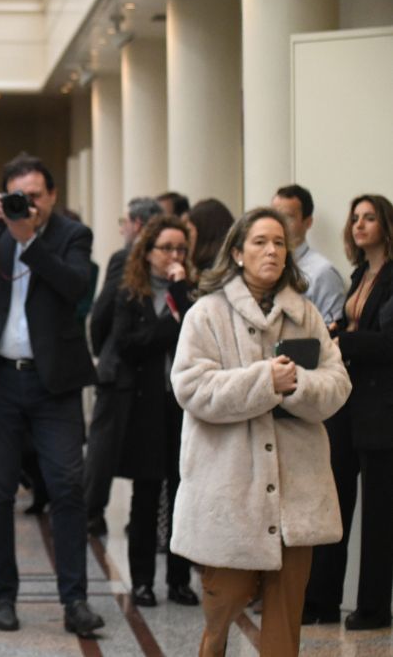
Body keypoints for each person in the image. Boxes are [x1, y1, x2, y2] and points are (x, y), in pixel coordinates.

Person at [170, 207, 351, 656]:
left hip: (297, 488)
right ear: (236, 252)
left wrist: (298, 385)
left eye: (278, 243)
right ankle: (212, 646)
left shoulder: (304, 313)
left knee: (286, 613)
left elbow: (337, 385)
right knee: (225, 597)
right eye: (259, 242)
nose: (271, 250)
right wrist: (264, 381)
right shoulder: (206, 314)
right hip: (230, 487)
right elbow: (191, 388)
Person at [0, 153, 104, 638]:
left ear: (51, 196)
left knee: (68, 486)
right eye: (18, 197)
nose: (26, 204)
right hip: (0, 379)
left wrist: (28, 237)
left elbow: (75, 287)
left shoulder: (72, 236)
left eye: (34, 196)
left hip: (55, 383)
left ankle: (75, 600)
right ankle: (2, 597)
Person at [303, 194, 393, 630]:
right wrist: (338, 332)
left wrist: (345, 342)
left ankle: (374, 608)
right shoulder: (359, 274)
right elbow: (359, 328)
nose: (359, 225)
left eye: (369, 217)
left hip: (382, 409)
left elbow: (389, 342)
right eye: (355, 218)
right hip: (349, 402)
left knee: (379, 514)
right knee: (333, 503)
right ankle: (321, 599)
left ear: (386, 225)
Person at [109, 215, 198, 607]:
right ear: (147, 252)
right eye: (167, 248)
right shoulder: (131, 292)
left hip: (183, 408)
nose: (174, 255)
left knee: (184, 494)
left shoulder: (190, 294)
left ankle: (179, 580)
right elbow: (127, 344)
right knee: (146, 496)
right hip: (145, 407)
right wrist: (170, 326)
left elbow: (200, 334)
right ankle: (142, 580)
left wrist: (180, 293)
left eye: (181, 249)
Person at [84, 196, 162, 536]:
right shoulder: (126, 258)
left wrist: (105, 350)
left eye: (125, 221)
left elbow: (100, 314)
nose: (121, 228)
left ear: (138, 225)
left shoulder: (124, 258)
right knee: (106, 444)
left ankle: (91, 512)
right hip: (122, 367)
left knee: (106, 445)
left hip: (124, 368)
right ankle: (91, 511)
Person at [271, 185, 346, 324]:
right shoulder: (262, 265)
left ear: (308, 222)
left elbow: (333, 331)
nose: (278, 224)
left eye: (288, 218)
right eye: (274, 216)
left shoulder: (322, 273)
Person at [185, 198, 234, 272]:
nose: (186, 238)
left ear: (203, 232)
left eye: (189, 231)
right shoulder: (233, 261)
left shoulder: (209, 272)